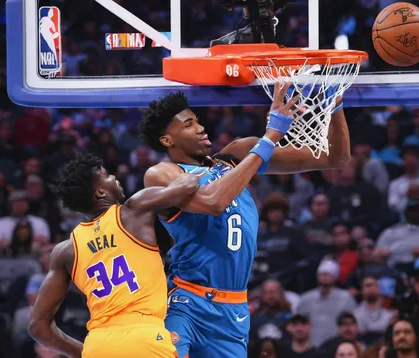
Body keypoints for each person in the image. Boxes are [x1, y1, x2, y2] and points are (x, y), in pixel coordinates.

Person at [139, 82, 349, 358]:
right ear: (168, 141)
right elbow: (212, 202)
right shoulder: (162, 173)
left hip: (235, 307)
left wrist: (334, 104)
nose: (201, 128)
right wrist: (271, 136)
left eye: (198, 121)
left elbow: (335, 158)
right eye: (189, 125)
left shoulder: (237, 155)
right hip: (188, 301)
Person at [27, 153, 200, 358]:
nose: (114, 177)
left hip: (98, 344)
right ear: (100, 192)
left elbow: (38, 327)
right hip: (145, 337)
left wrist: (86, 353)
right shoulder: (134, 209)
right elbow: (188, 185)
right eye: (107, 175)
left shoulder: (66, 250)